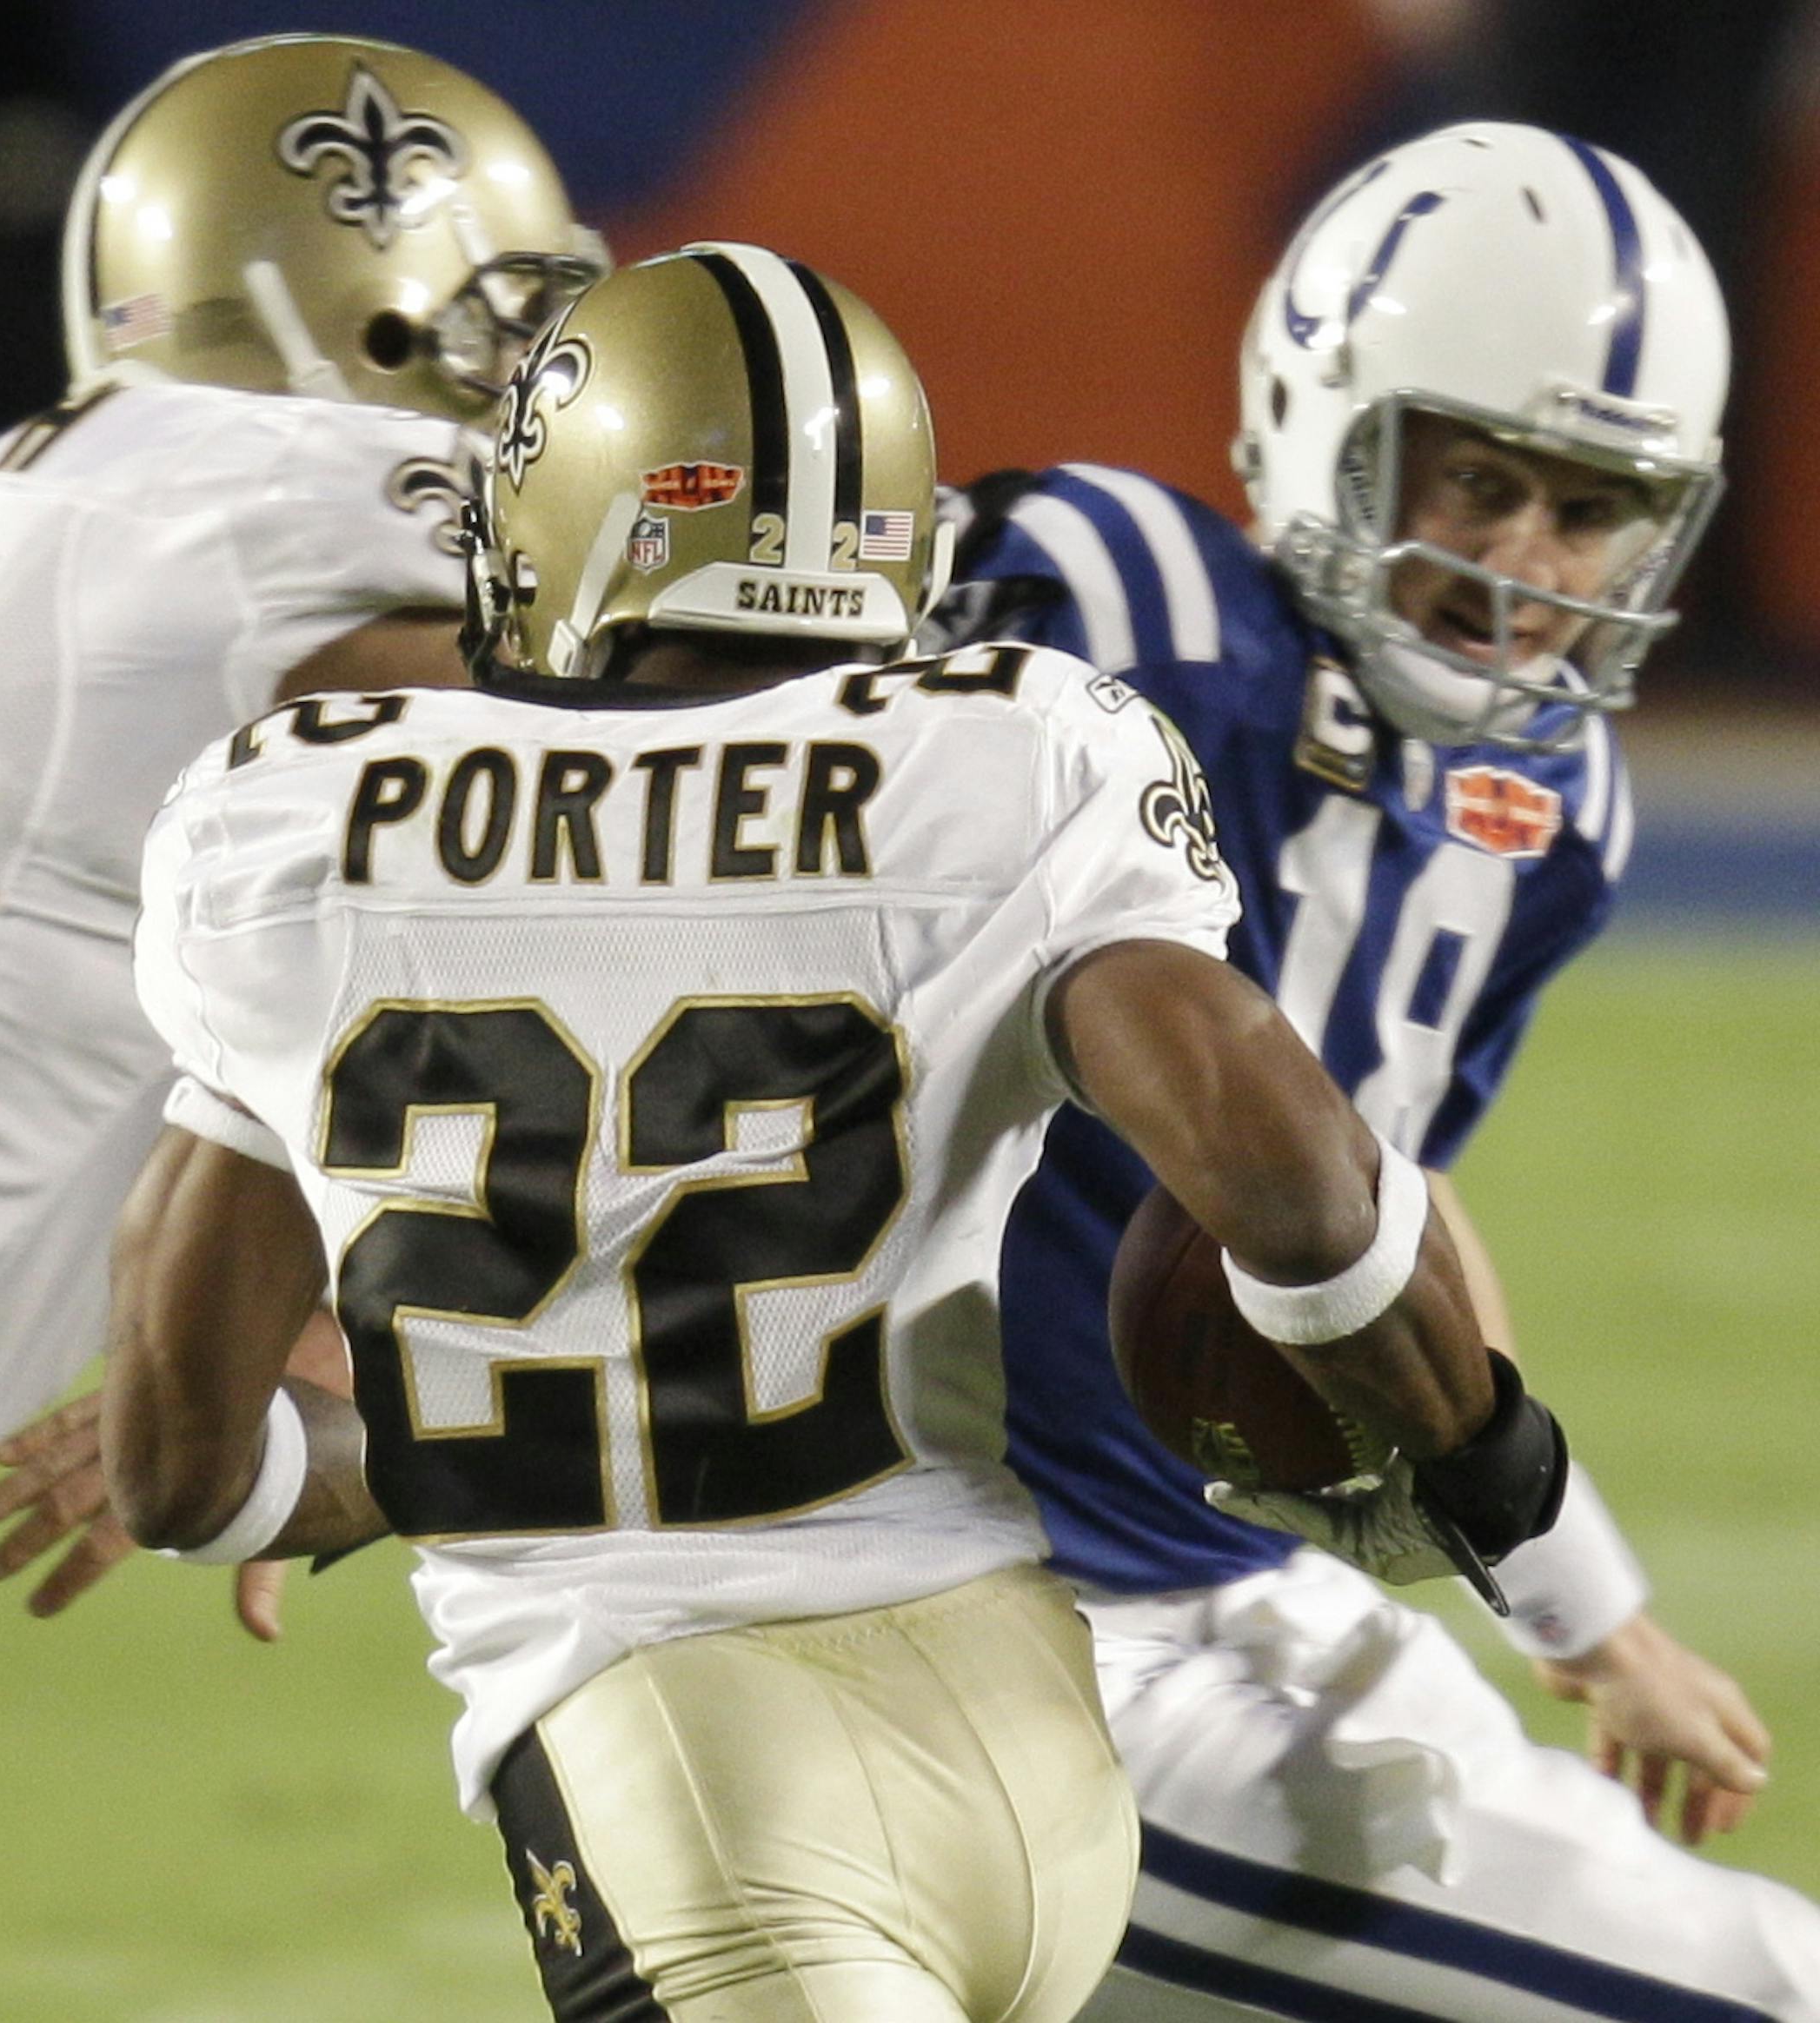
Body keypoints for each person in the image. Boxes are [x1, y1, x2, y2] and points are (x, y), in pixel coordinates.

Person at [101, 243, 1569, 2023]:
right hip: (1035, 1737)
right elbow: (1295, 1181)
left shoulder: (306, 814)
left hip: (686, 1769)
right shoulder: (1019, 755)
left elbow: (180, 1472)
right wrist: (1491, 1473)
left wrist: (408, 1445)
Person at [928, 122, 1820, 2020]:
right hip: (966, 1618)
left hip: (1218, 1584)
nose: (1519, 568)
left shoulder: (1548, 813)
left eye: (1587, 514)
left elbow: (1372, 1222)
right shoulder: (1102, 607)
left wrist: (1594, 1614)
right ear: (1329, 416)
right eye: (1480, 480)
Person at [0, 31, 608, 1623]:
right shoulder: (298, 488)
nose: (540, 372)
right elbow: (636, 796)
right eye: (509, 314)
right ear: (363, 287)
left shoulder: (28, 491)